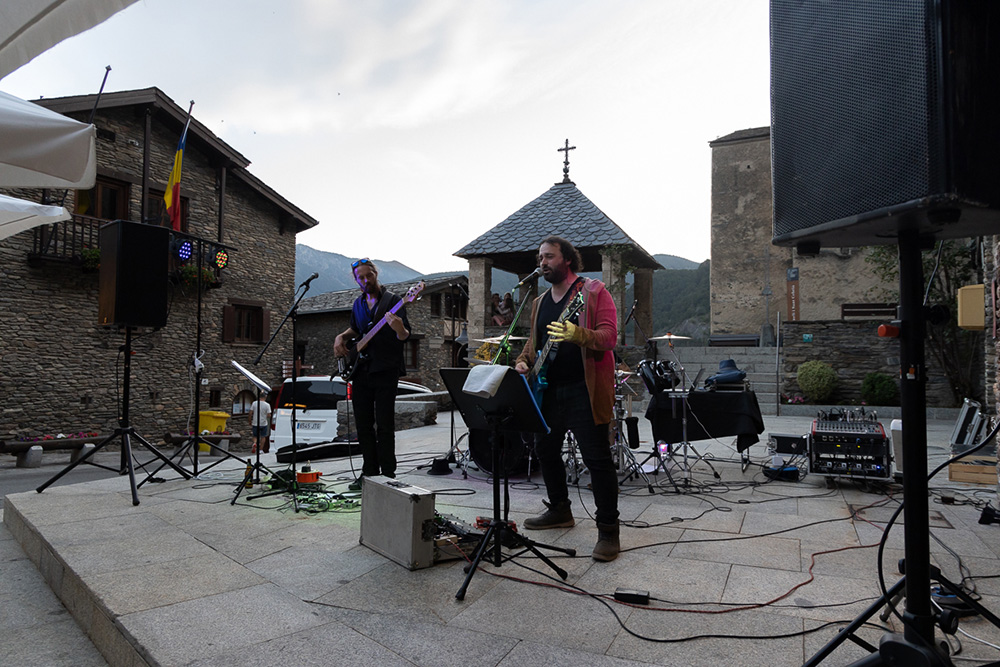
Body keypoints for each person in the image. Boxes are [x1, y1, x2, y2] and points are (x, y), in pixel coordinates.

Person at [514, 236, 621, 561]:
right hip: (548, 391)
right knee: (545, 451)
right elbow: (533, 346)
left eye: (548, 256)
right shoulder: (539, 301)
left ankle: (608, 532)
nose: (542, 262)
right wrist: (523, 361)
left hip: (583, 390)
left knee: (597, 460)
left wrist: (579, 334)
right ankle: (560, 509)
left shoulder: (592, 292)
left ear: (567, 260)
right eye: (539, 257)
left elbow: (610, 337)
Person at [333, 258, 411, 491]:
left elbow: (405, 335)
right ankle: (369, 472)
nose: (366, 280)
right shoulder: (357, 303)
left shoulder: (395, 301)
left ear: (376, 274)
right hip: (361, 371)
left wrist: (398, 328)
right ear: (357, 280)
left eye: (370, 276)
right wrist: (341, 337)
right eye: (362, 278)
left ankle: (388, 473)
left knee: (385, 425)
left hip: (385, 370)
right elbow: (357, 329)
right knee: (363, 426)